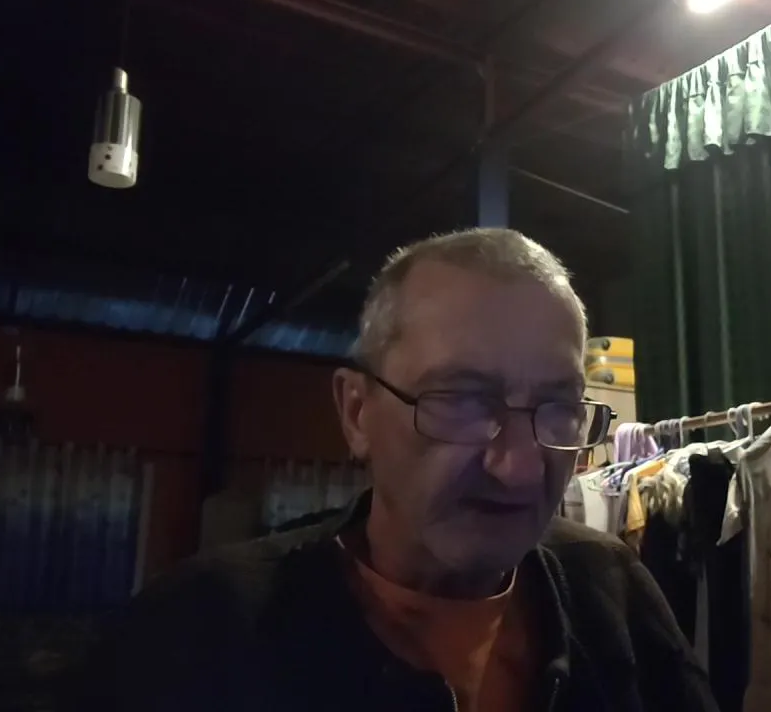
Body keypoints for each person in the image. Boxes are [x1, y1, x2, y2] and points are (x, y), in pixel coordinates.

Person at [70, 228, 717, 711]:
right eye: (462, 401)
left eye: (558, 408)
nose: (520, 468)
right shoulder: (196, 632)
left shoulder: (613, 593)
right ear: (357, 412)